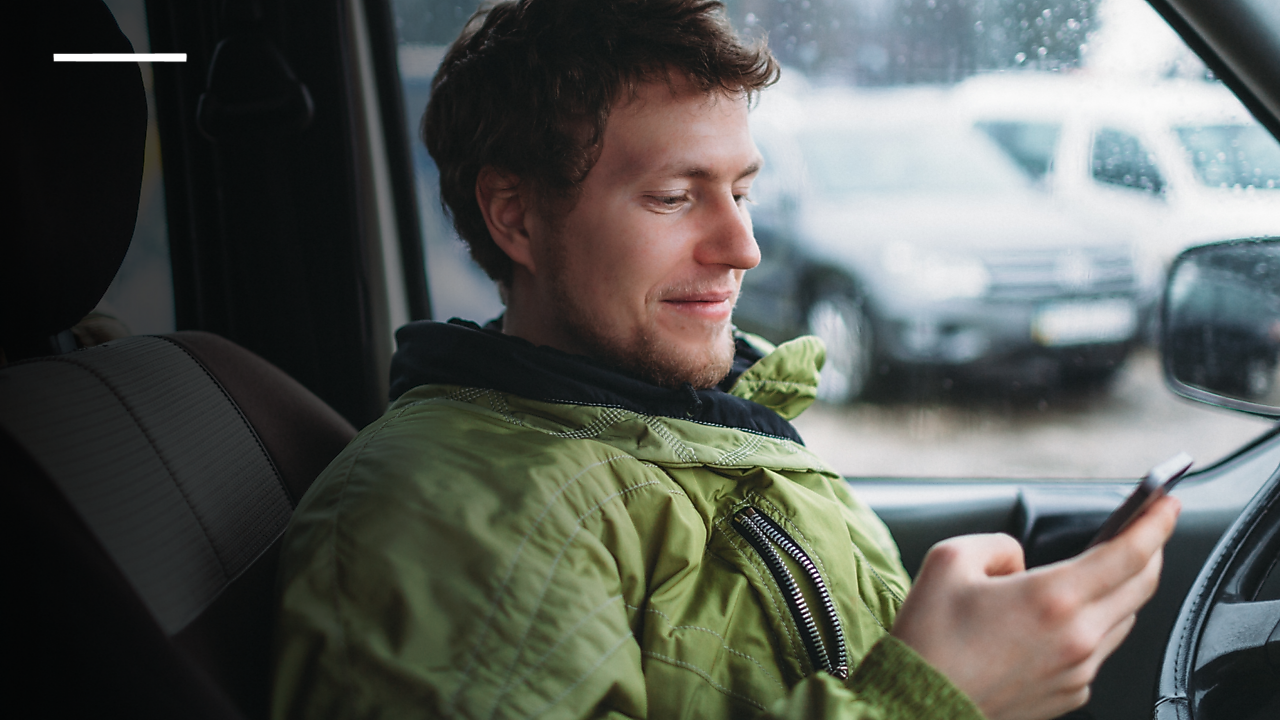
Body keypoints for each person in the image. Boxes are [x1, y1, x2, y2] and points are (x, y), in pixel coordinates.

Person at [270, 1, 1180, 718]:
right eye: (673, 198)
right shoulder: (438, 517)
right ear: (514, 217)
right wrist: (932, 701)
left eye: (742, 190)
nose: (742, 248)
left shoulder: (694, 426)